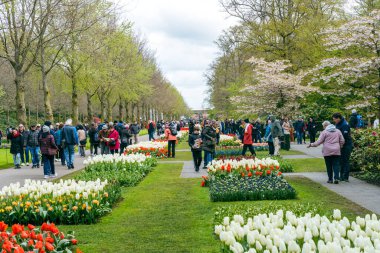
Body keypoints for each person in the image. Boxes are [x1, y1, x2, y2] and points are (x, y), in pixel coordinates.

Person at [332, 113, 353, 182]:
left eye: (335, 119)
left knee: (345, 160)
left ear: (338, 118)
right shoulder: (338, 124)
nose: (334, 121)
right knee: (341, 161)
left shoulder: (345, 125)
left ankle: (345, 177)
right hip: (341, 145)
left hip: (346, 145)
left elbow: (344, 136)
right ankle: (341, 176)